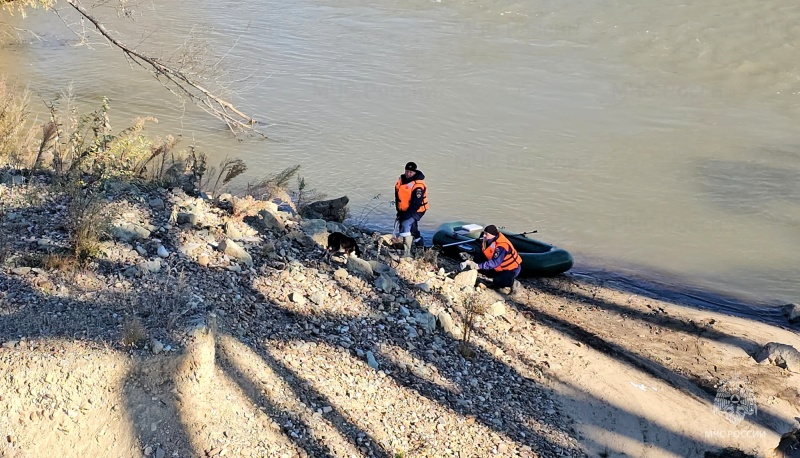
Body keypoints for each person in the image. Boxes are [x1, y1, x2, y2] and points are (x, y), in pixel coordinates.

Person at [460, 225, 522, 294]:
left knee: (498, 281)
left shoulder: (502, 246)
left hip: (511, 269)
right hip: (498, 267)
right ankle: (497, 281)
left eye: (486, 234)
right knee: (481, 268)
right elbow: (482, 255)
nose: (484, 235)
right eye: (484, 233)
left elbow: (495, 262)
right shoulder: (486, 241)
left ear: (493, 235)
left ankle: (513, 283)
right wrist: (471, 259)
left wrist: (478, 266)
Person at [394, 161, 428, 257]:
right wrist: (399, 211)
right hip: (404, 209)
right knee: (412, 227)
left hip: (417, 210)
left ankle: (407, 253)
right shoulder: (402, 180)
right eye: (407, 171)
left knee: (405, 224)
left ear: (415, 172)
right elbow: (398, 197)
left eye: (411, 172)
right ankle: (419, 246)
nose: (408, 174)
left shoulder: (418, 186)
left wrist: (406, 216)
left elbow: (416, 204)